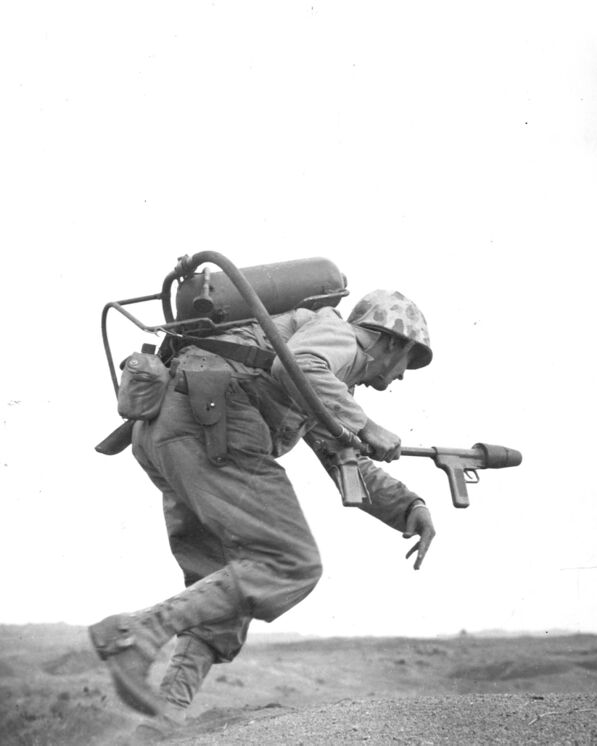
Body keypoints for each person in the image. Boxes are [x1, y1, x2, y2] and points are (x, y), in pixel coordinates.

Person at [89, 288, 436, 740]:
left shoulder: (325, 377)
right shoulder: (342, 336)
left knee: (223, 586)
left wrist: (408, 507)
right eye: (409, 360)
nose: (402, 375)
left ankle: (162, 721)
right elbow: (300, 366)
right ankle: (136, 633)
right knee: (290, 562)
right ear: (391, 342)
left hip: (168, 428)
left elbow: (340, 456)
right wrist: (365, 423)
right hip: (213, 422)